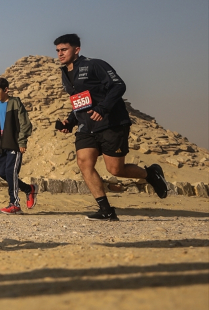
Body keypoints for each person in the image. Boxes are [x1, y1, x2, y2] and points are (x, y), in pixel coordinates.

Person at [54, 33, 167, 221]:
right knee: (84, 163)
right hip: (86, 126)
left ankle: (151, 173)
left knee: (115, 170)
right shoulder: (65, 73)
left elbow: (118, 85)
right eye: (57, 50)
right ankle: (106, 210)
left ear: (77, 49)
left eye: (64, 49)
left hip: (110, 123)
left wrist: (102, 108)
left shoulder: (94, 65)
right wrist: (70, 121)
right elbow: (79, 101)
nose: (60, 54)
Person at [0, 77, 36, 214]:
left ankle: (15, 204)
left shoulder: (15, 103)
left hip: (13, 143)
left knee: (11, 172)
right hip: (0, 145)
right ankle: (28, 189)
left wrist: (22, 141)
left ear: (6, 90)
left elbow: (25, 123)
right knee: (3, 173)